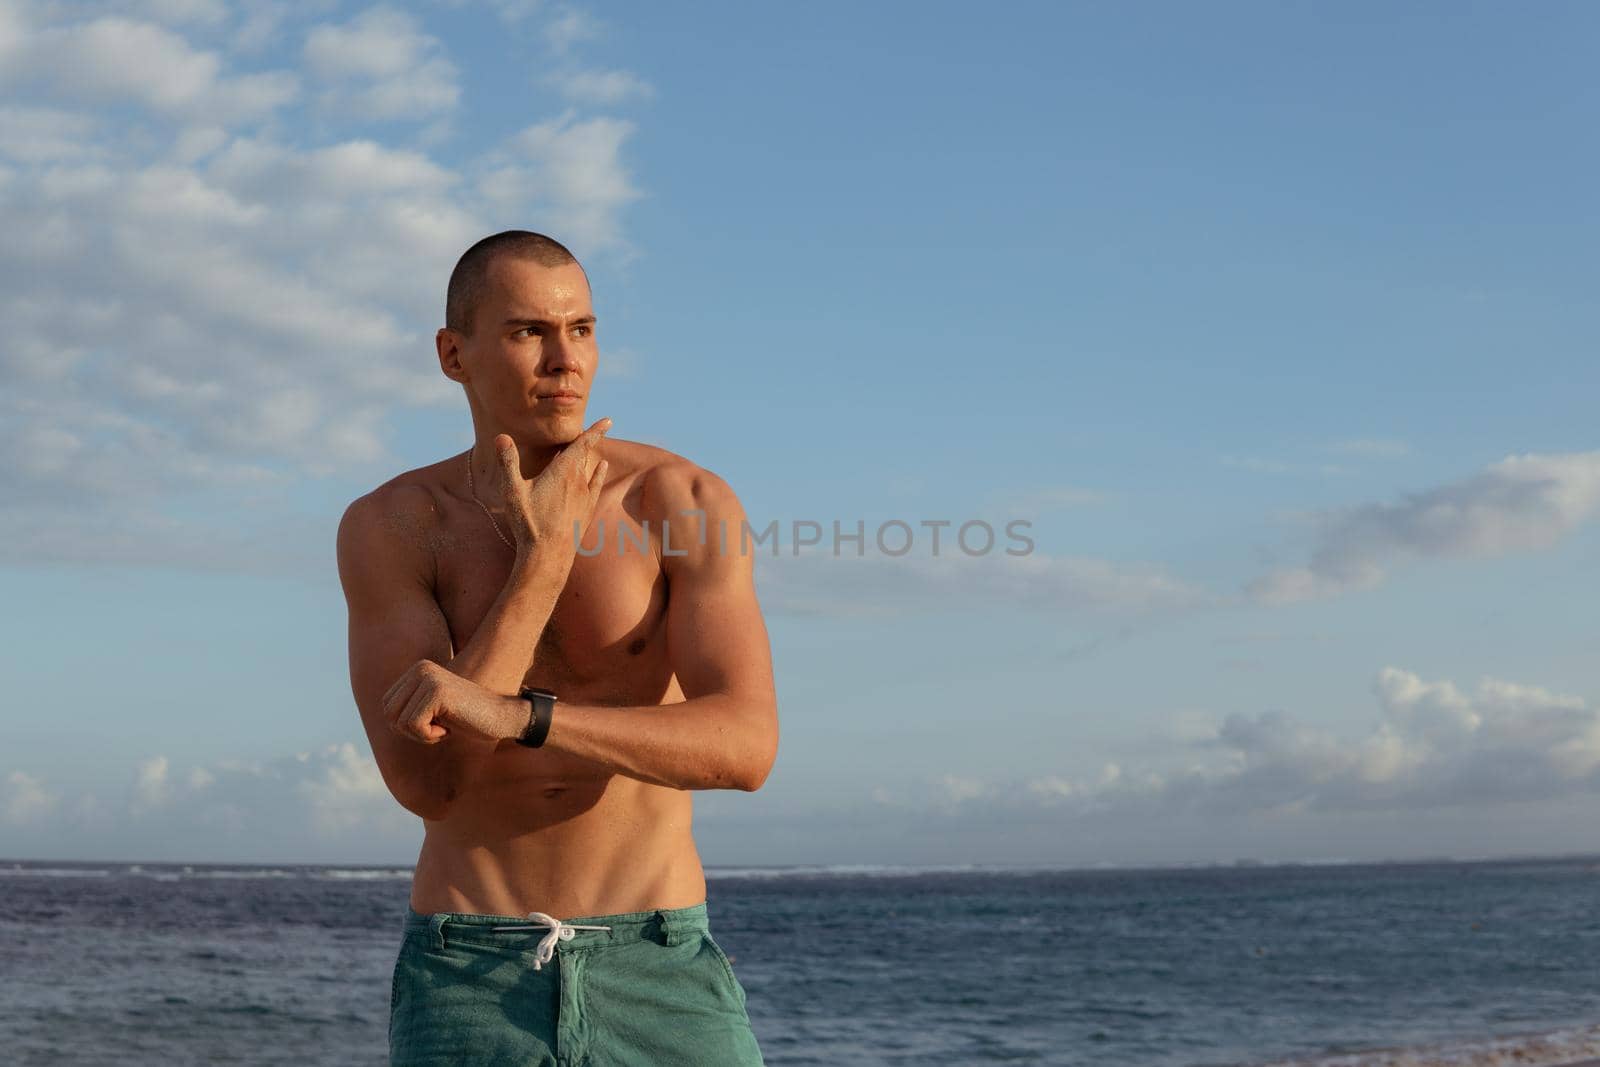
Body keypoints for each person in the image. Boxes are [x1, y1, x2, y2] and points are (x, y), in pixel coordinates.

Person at [336, 230, 778, 1065]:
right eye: (527, 331)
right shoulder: (393, 527)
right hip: (469, 971)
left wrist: (520, 716)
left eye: (580, 328)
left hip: (660, 965)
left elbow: (747, 747)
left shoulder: (678, 500)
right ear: (453, 353)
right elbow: (430, 782)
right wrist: (542, 563)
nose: (563, 359)